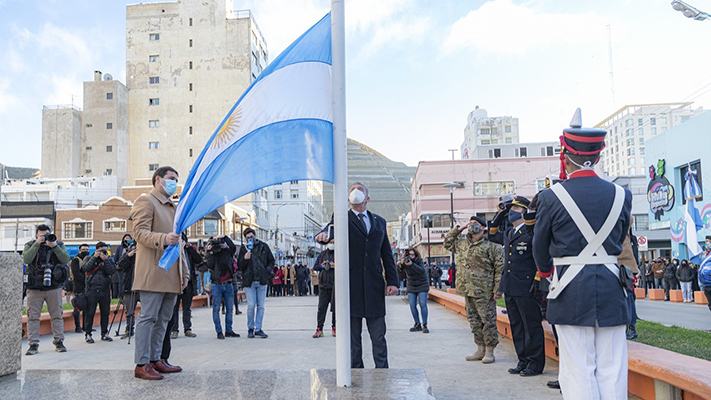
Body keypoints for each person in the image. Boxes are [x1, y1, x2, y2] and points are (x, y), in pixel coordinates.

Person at [532, 109, 632, 400]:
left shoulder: (551, 197)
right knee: (613, 367)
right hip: (613, 288)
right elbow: (620, 236)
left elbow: (540, 249)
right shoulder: (623, 194)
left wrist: (548, 273)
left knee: (578, 369)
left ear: (565, 155)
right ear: (599, 156)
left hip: (570, 290)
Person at [315, 182, 399, 369]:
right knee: (353, 339)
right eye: (352, 190)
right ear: (348, 199)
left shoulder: (379, 221)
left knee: (378, 336)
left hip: (374, 287)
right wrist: (322, 235)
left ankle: (382, 372)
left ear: (367, 198)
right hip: (350, 288)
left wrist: (393, 281)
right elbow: (328, 231)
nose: (356, 192)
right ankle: (356, 374)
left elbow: (386, 254)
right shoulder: (341, 218)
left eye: (360, 189)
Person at [131, 166, 189, 380]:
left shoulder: (174, 208)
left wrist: (184, 272)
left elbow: (179, 244)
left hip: (171, 274)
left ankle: (156, 359)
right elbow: (139, 233)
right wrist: (163, 238)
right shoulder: (146, 201)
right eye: (171, 178)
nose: (175, 182)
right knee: (148, 318)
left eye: (176, 179)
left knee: (164, 320)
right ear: (158, 180)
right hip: (153, 271)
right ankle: (142, 363)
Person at [488, 196, 545, 377]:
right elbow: (491, 235)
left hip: (527, 286)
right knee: (517, 326)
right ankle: (523, 360)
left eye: (515, 209)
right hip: (511, 286)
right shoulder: (509, 233)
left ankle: (535, 364)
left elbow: (539, 258)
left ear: (525, 212)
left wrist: (537, 280)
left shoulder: (531, 232)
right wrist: (498, 216)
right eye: (510, 209)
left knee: (531, 326)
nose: (511, 212)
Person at [444, 216, 503, 364]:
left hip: (484, 290)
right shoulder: (463, 244)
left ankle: (490, 350)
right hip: (467, 289)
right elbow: (447, 242)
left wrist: (498, 289)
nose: (472, 227)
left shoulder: (492, 246)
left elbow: (499, 269)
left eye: (475, 224)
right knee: (474, 321)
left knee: (488, 321)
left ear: (483, 228)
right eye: (470, 224)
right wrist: (459, 229)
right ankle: (480, 348)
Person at [23, 225, 70, 355]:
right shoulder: (30, 245)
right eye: (41, 236)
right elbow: (26, 259)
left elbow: (66, 259)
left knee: (57, 315)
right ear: (36, 235)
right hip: (34, 287)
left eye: (46, 235)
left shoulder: (58, 244)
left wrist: (54, 246)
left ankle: (59, 341)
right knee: (32, 316)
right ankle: (33, 344)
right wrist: (37, 244)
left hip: (54, 286)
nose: (44, 238)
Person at [238, 227, 275, 338]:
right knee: (251, 305)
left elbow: (271, 260)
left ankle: (258, 328)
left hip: (262, 281)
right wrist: (244, 259)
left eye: (251, 236)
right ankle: (250, 328)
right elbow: (239, 266)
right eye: (247, 238)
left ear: (255, 236)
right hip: (249, 282)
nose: (250, 239)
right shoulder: (244, 249)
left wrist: (266, 271)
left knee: (261, 306)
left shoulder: (263, 246)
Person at [81, 242, 117, 343]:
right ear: (96, 250)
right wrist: (94, 258)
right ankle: (88, 334)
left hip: (105, 289)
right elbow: (85, 269)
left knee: (105, 313)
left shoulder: (108, 260)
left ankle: (104, 333)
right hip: (92, 290)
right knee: (90, 313)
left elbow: (112, 271)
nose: (103, 253)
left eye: (105, 250)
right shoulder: (88, 258)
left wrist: (106, 260)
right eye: (101, 250)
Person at [206, 235, 239, 339]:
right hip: (217, 284)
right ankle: (219, 331)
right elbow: (210, 265)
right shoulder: (212, 254)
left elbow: (233, 247)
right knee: (216, 308)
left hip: (228, 284)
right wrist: (210, 252)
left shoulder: (227, 251)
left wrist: (224, 238)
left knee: (230, 308)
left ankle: (229, 330)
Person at [170, 241, 201, 338]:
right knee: (174, 308)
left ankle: (187, 329)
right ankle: (174, 330)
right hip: (176, 283)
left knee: (187, 308)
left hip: (189, 282)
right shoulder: (174, 250)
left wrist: (190, 248)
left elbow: (199, 260)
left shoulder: (189, 251)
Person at [398, 247, 430, 333]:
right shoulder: (405, 261)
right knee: (412, 305)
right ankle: (417, 324)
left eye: (413, 255)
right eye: (409, 255)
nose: (411, 257)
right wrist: (400, 265)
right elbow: (399, 272)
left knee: (422, 304)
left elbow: (422, 271)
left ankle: (425, 325)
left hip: (422, 284)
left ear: (415, 255)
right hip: (411, 285)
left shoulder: (419, 260)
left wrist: (412, 264)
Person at [313, 239, 336, 338]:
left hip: (335, 285)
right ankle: (319, 329)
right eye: (330, 242)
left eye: (333, 242)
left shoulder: (340, 253)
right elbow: (315, 267)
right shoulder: (322, 254)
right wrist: (322, 266)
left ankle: (335, 327)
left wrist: (335, 265)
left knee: (336, 309)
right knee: (321, 308)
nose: (331, 244)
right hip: (323, 285)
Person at [117, 241, 138, 339]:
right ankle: (129, 329)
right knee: (130, 311)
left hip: (143, 286)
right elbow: (120, 265)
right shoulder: (127, 256)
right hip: (129, 287)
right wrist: (128, 256)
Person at [69, 244, 91, 333]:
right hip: (78, 286)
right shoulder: (75, 260)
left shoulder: (88, 259)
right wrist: (86, 280)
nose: (85, 251)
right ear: (79, 251)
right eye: (83, 249)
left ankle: (85, 326)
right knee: (78, 307)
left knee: (87, 307)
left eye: (87, 249)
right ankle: (77, 326)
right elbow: (76, 273)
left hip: (87, 287)